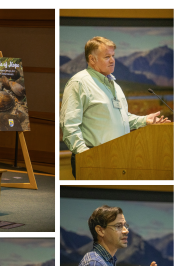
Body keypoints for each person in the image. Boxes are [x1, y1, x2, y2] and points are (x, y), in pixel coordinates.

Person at [60, 37, 171, 179]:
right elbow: (69, 124)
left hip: (119, 157)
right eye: (107, 57)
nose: (112, 60)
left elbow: (120, 117)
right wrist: (86, 155)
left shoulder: (114, 85)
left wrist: (144, 120)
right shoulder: (79, 83)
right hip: (93, 157)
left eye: (113, 56)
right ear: (92, 59)